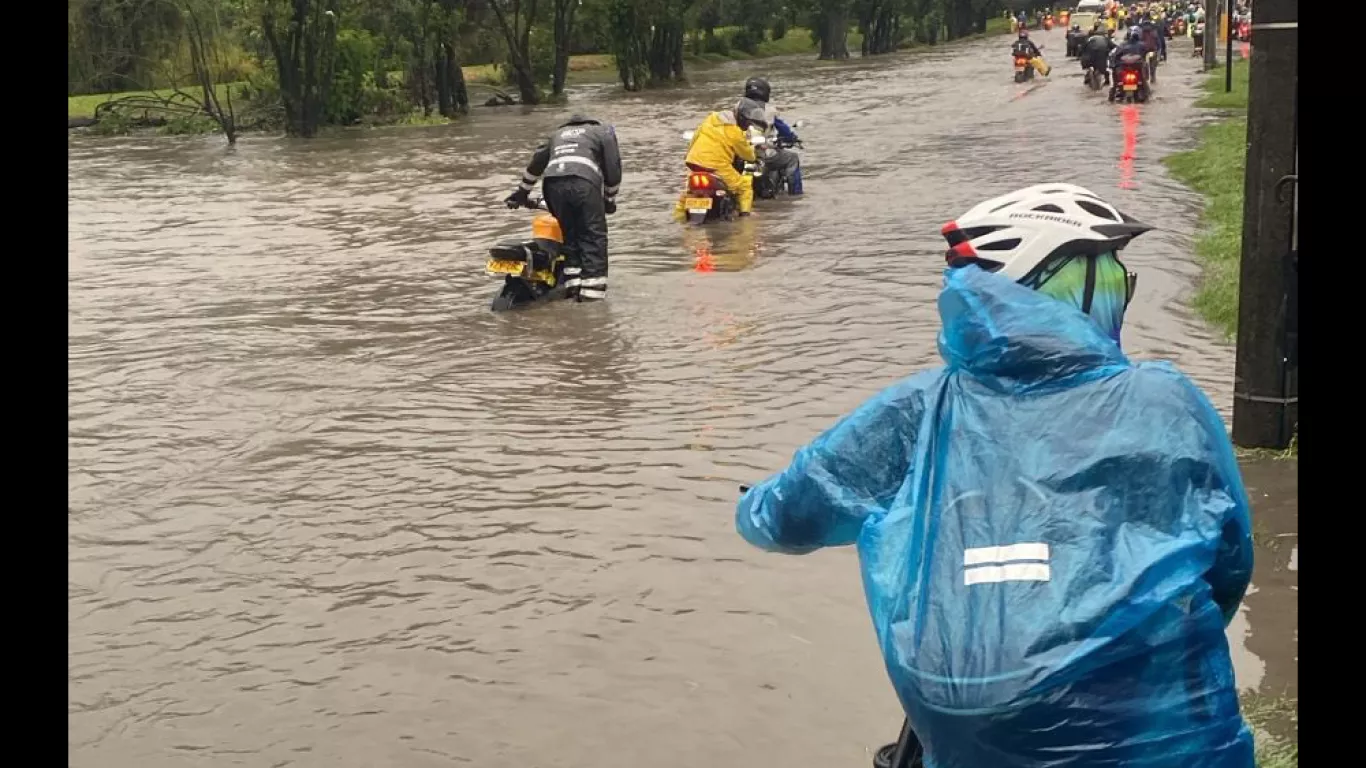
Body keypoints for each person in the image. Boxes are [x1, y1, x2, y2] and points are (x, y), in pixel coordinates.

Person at [735, 184, 1256, 768]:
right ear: (1065, 290)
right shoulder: (1165, 402)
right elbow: (1230, 560)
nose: (1122, 290)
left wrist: (751, 504)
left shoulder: (917, 409)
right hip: (1154, 721)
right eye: (1111, 276)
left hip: (968, 725)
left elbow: (786, 518)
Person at [505, 114, 622, 302]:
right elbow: (613, 166)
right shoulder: (603, 131)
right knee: (593, 238)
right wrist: (609, 200)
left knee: (569, 238)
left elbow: (536, 163)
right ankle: (592, 300)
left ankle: (572, 290)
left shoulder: (556, 134)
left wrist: (522, 193)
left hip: (552, 185)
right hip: (584, 184)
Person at [675, 97, 768, 219]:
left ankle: (679, 221)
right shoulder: (736, 133)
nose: (747, 125)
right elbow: (747, 155)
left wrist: (688, 156)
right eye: (748, 123)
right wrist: (754, 154)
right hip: (717, 167)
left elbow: (695, 138)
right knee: (744, 188)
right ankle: (745, 217)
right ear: (741, 118)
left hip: (694, 163)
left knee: (685, 196)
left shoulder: (710, 119)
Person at [742, 76, 803, 196]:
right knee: (792, 158)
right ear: (765, 92)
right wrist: (792, 138)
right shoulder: (769, 110)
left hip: (739, 151)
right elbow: (784, 130)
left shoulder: (738, 106)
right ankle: (796, 195)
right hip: (761, 153)